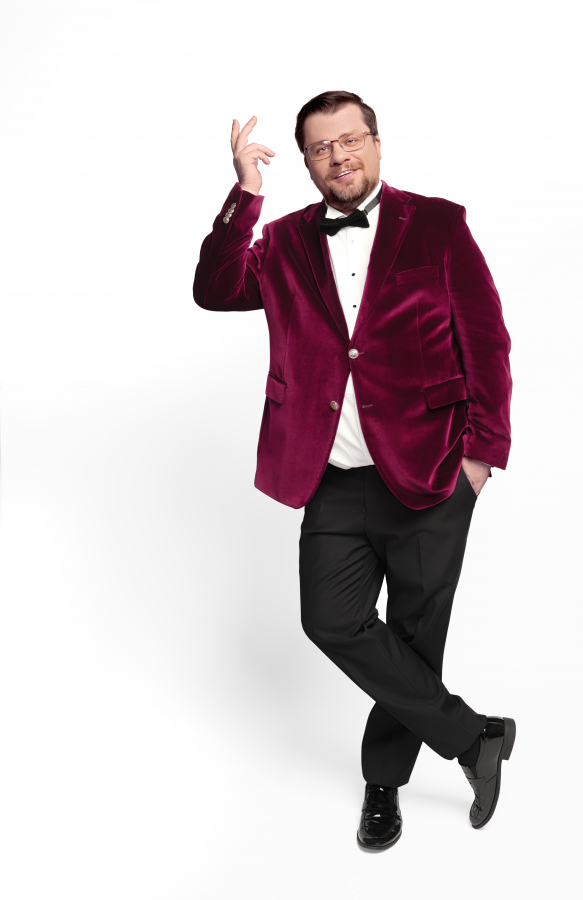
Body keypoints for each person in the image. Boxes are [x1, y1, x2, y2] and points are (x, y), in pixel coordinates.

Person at [193, 90, 515, 850]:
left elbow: (486, 341)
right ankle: (472, 736)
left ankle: (383, 784)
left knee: (414, 633)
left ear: (375, 141)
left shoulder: (438, 224)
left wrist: (481, 456)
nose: (338, 156)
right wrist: (244, 195)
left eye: (350, 139)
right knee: (331, 620)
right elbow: (215, 290)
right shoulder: (282, 241)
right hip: (333, 476)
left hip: (432, 471)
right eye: (321, 147)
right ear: (307, 162)